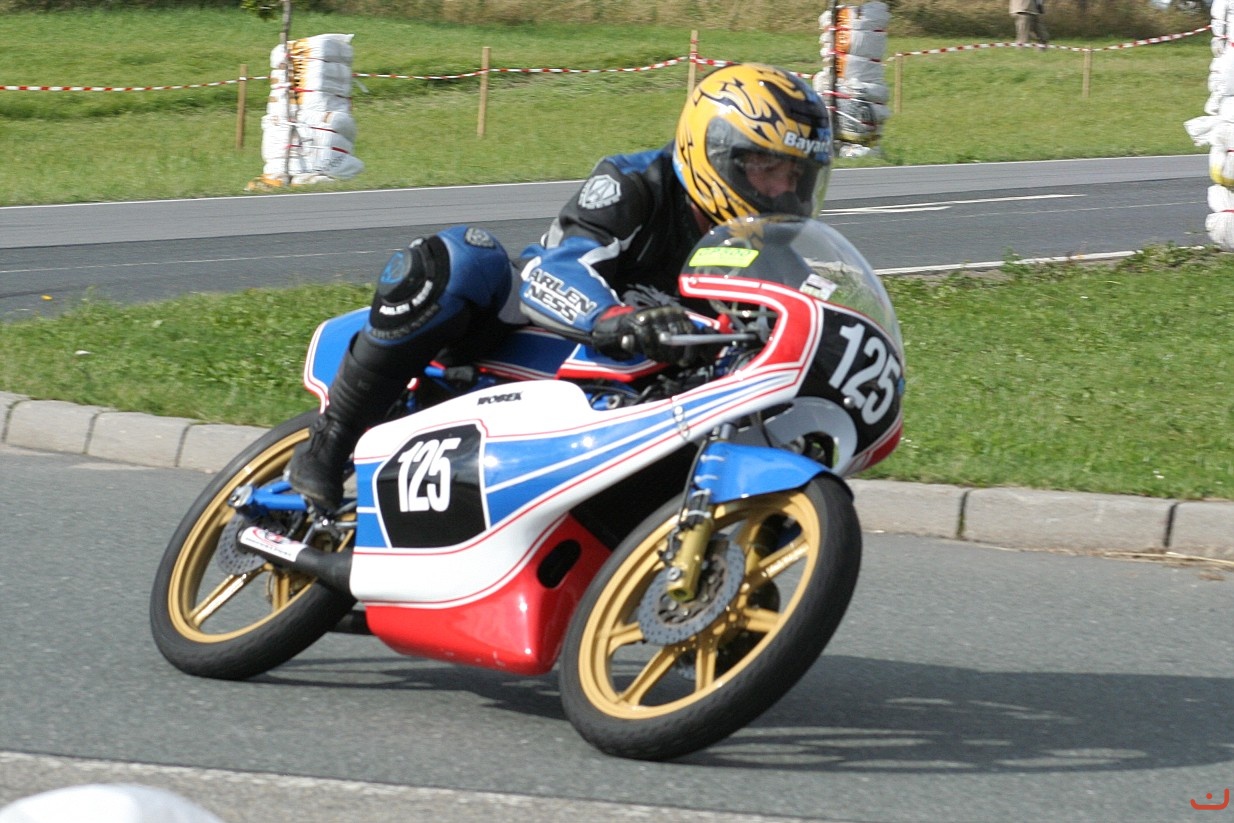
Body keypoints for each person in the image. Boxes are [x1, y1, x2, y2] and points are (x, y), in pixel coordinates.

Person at [287, 62, 834, 511]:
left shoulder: (774, 258)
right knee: (458, 259)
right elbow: (558, 267)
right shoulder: (636, 183)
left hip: (645, 405)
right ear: (713, 151)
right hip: (538, 340)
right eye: (766, 169)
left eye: (795, 176)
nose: (781, 191)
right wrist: (615, 319)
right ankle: (329, 444)